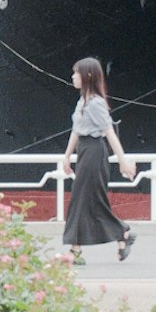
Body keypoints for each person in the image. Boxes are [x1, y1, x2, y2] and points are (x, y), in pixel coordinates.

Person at [59, 57, 137, 262]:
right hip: (85, 151)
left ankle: (76, 250)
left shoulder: (95, 103)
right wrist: (67, 156)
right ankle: (122, 233)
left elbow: (109, 132)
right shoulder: (82, 101)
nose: (73, 77)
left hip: (95, 152)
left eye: (76, 73)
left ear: (88, 75)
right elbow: (76, 131)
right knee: (87, 199)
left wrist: (122, 161)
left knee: (83, 199)